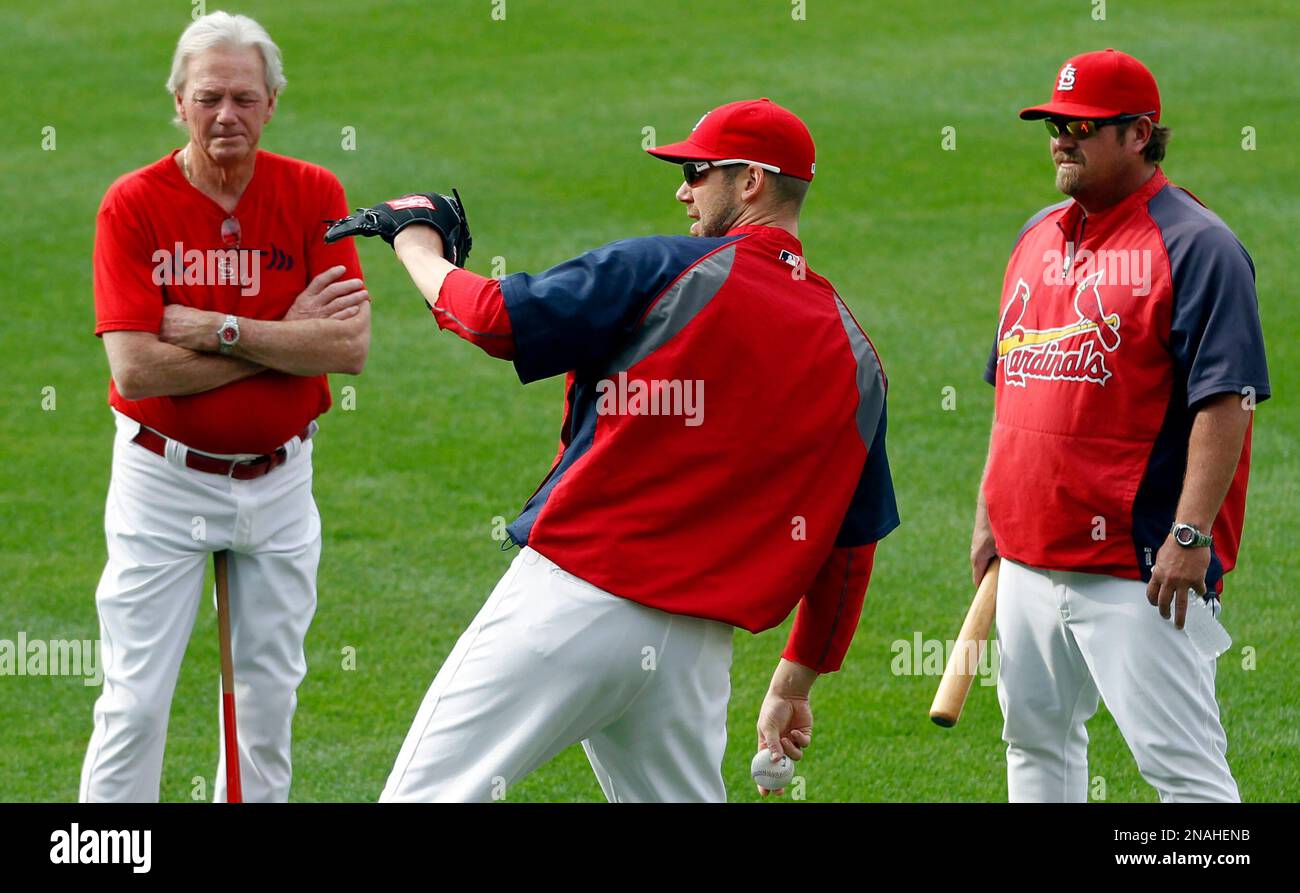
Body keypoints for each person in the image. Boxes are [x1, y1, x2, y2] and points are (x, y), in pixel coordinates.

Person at [329, 98, 899, 802]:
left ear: (751, 180)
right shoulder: (857, 354)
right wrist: (795, 678)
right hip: (693, 656)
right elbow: (850, 551)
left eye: (697, 171)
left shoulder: (664, 267)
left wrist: (415, 241)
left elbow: (493, 318)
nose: (681, 190)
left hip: (576, 602)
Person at [82, 11, 370, 802]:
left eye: (244, 97)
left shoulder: (315, 192)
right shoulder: (132, 204)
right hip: (162, 482)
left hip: (279, 484)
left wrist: (218, 330)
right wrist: (285, 336)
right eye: (208, 97)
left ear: (272, 103)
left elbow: (345, 348)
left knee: (264, 712)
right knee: (135, 704)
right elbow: (136, 368)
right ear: (178, 101)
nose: (226, 115)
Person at [972, 49, 1270, 802]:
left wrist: (1190, 534)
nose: (1059, 140)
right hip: (1028, 559)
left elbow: (1227, 399)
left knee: (1185, 776)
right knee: (1036, 749)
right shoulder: (1036, 235)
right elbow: (1012, 388)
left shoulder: (1199, 246)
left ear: (1140, 134)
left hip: (1140, 568)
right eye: (1052, 125)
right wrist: (990, 516)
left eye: (1080, 126)